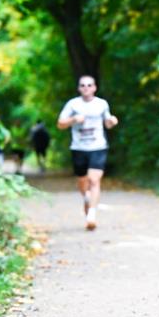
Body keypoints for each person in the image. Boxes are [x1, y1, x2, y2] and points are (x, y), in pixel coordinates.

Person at [57, 76, 119, 230]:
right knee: (82, 182)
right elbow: (60, 124)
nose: (86, 88)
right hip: (78, 148)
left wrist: (112, 121)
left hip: (98, 146)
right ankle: (86, 198)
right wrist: (73, 120)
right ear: (79, 88)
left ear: (94, 87)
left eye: (89, 85)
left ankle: (91, 215)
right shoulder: (73, 104)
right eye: (83, 85)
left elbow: (107, 123)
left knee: (94, 180)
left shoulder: (101, 104)